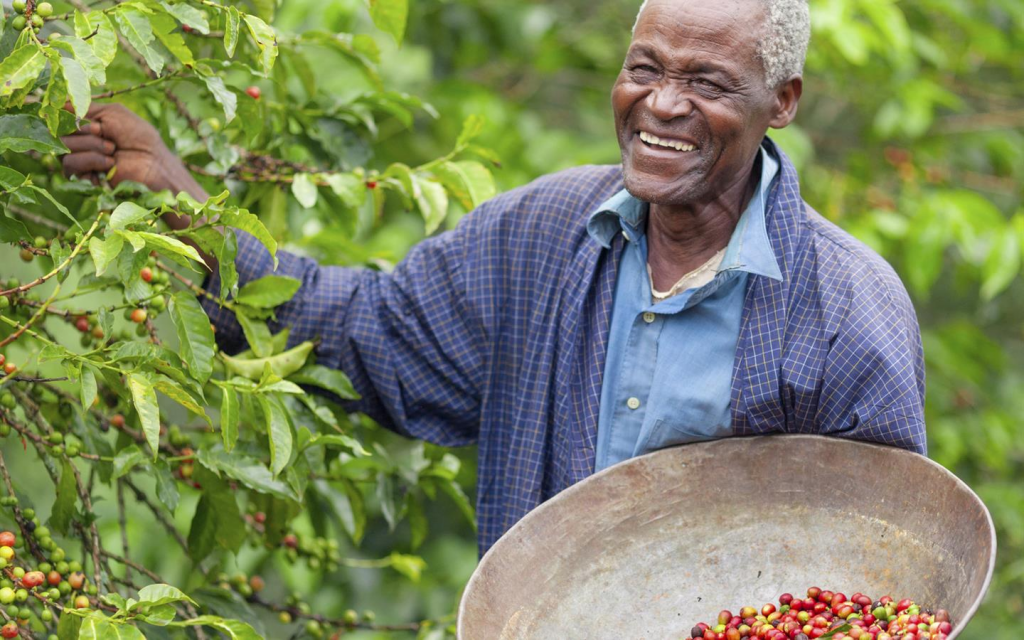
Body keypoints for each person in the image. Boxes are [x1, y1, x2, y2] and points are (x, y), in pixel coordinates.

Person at [61, 0, 925, 555]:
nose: (662, 104)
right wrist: (190, 212)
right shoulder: (543, 235)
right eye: (645, 69)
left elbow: (887, 567)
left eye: (706, 81)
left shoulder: (848, 309)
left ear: (783, 101)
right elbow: (368, 333)